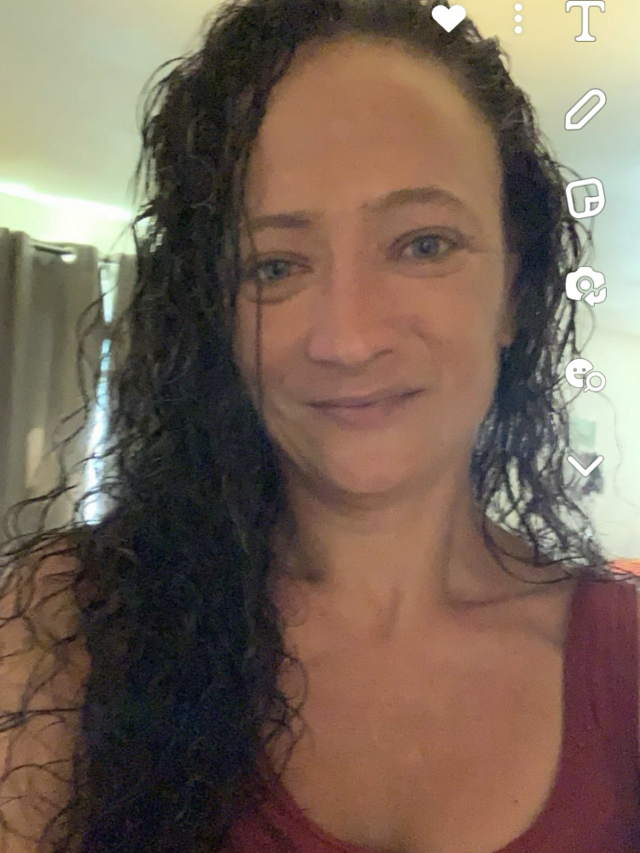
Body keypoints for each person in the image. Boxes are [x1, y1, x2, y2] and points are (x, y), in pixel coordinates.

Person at [0, 1, 638, 851]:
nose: (348, 338)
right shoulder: (67, 630)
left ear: (515, 293)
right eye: (275, 265)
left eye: (423, 244)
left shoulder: (626, 661)